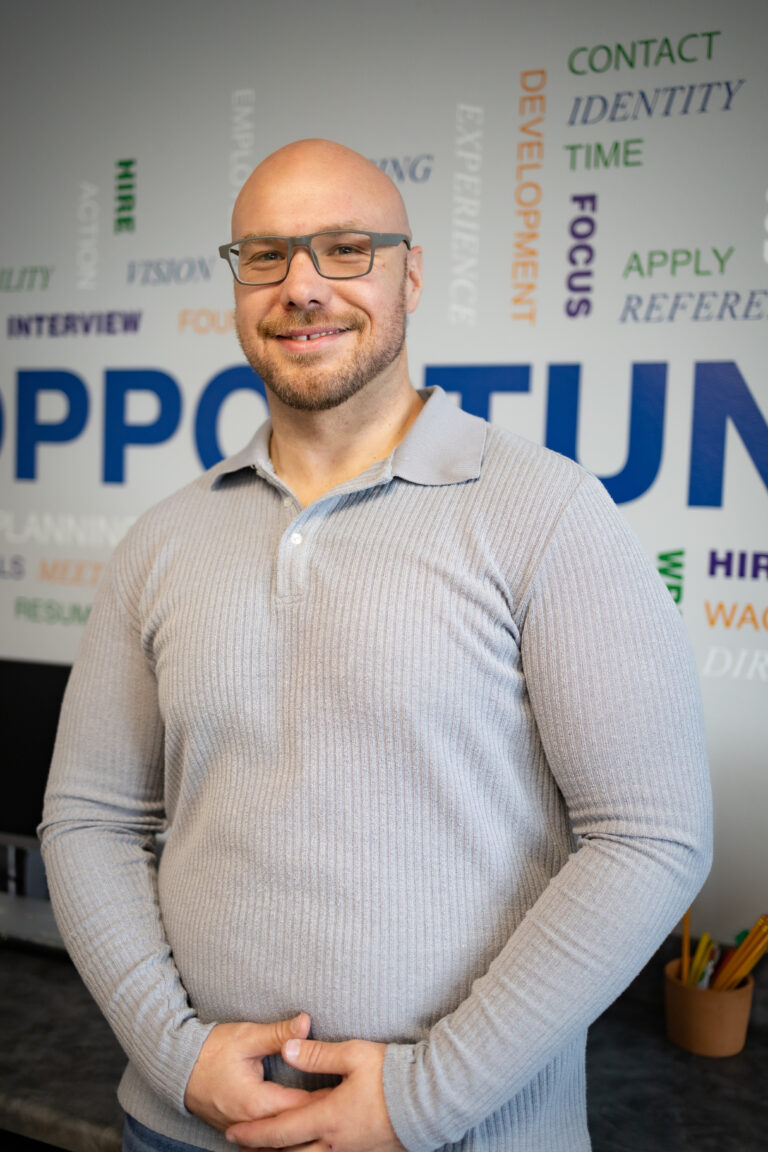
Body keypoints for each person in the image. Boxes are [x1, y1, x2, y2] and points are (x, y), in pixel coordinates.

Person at [40, 138, 712, 1152]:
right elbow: (89, 820)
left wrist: (423, 1097)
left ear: (411, 272)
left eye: (345, 248)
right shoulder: (162, 539)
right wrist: (176, 1055)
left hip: (465, 1134)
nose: (301, 285)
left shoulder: (548, 511)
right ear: (236, 283)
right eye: (266, 256)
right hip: (185, 1130)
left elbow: (651, 837)